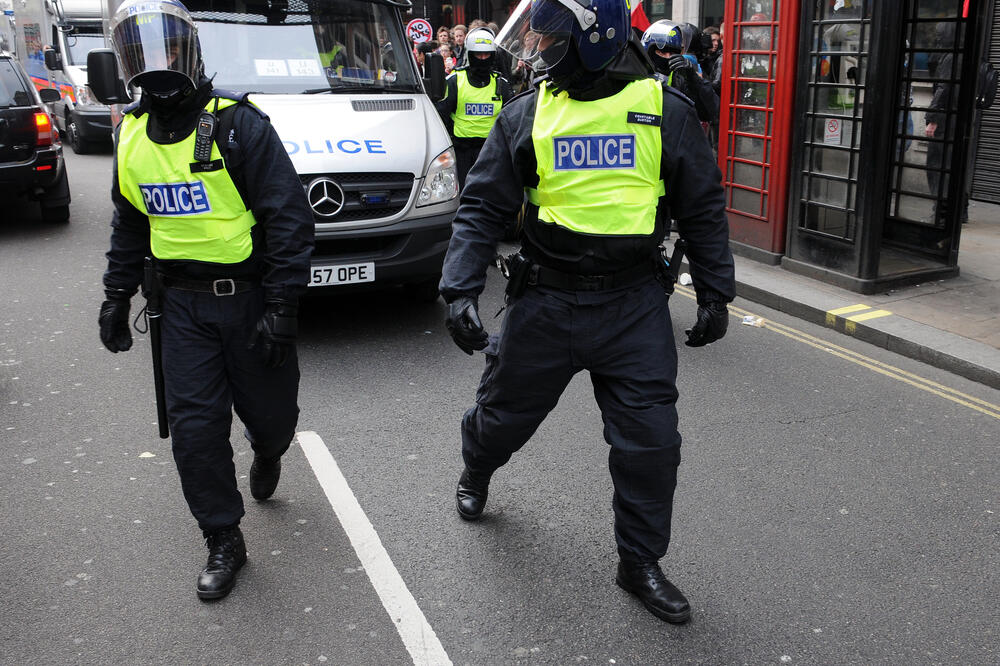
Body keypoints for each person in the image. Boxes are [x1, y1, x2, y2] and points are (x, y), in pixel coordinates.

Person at [441, 0, 735, 624]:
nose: (540, 51)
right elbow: (482, 206)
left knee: (651, 443)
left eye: (552, 39)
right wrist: (458, 286)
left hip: (633, 306)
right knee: (503, 417)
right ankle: (477, 466)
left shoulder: (664, 113)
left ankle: (639, 563)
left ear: (593, 39)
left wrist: (716, 290)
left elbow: (703, 206)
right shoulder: (527, 113)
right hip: (546, 302)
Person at [99, 0, 314, 601]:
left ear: (191, 55)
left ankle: (268, 453)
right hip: (181, 309)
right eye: (140, 55)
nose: (156, 67)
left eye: (166, 51)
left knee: (273, 419)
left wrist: (283, 306)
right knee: (195, 432)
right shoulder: (132, 137)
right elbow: (128, 224)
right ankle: (223, 536)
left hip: (246, 304)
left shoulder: (240, 127)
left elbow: (289, 220)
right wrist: (116, 296)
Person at [435, 27, 513, 188]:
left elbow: (512, 122)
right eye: (478, 54)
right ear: (470, 54)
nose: (483, 59)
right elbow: (440, 116)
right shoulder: (455, 81)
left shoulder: (500, 84)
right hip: (462, 152)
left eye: (487, 55)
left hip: (492, 152)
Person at [641, 20, 719, 125]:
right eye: (661, 52)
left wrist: (694, 79)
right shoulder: (635, 77)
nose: (668, 57)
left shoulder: (680, 78)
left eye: (672, 53)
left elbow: (711, 112)